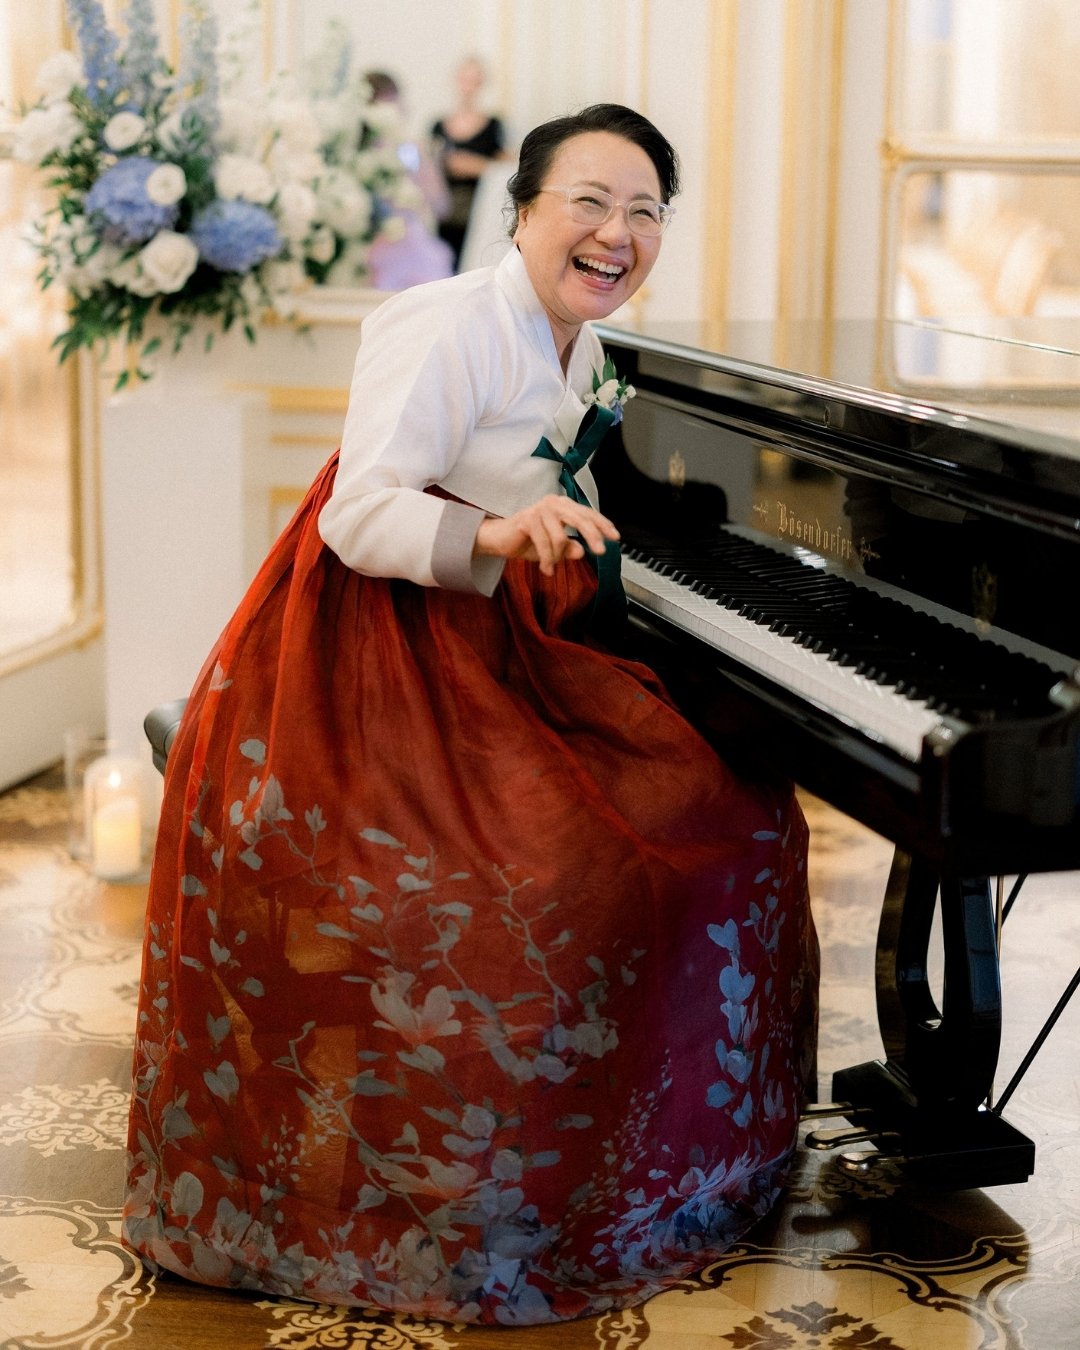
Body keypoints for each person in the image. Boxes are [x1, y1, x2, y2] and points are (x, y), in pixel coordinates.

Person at [121, 103, 818, 1326]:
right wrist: (500, 532)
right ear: (525, 210)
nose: (617, 232)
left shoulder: (587, 351)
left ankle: (644, 1173)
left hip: (509, 637)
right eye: (588, 203)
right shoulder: (441, 325)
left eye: (645, 210)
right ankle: (478, 1199)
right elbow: (358, 513)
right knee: (564, 875)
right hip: (379, 647)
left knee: (735, 809)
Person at [362, 69, 455, 290]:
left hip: (369, 252)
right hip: (404, 250)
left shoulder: (354, 154)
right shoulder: (411, 149)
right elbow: (440, 204)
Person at [430, 55, 508, 268]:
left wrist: (474, 165)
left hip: (479, 209)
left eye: (475, 80)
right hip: (444, 211)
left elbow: (505, 168)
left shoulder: (493, 126)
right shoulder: (438, 125)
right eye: (465, 79)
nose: (468, 86)